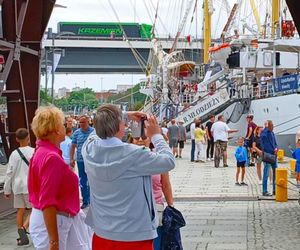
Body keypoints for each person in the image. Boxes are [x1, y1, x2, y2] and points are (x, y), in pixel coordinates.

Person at [81, 104, 175, 249]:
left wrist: (123, 115)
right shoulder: (136, 154)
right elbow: (168, 161)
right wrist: (156, 135)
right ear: (121, 126)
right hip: (135, 233)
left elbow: (95, 134)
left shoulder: (89, 150)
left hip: (102, 230)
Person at [28, 106, 91, 250]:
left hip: (54, 219)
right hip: (56, 221)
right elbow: (47, 200)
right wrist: (54, 241)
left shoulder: (42, 152)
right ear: (56, 129)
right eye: (62, 125)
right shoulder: (51, 158)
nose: (65, 128)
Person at [131, 135, 174, 250]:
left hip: (155, 210)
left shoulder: (158, 159)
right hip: (133, 211)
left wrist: (171, 207)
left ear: (149, 140)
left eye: (144, 137)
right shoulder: (126, 159)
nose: (140, 140)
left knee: (155, 244)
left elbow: (165, 185)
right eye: (136, 137)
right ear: (131, 140)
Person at [4, 128, 34, 246]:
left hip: (17, 187)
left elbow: (9, 172)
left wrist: (7, 189)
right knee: (34, 210)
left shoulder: (13, 154)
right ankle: (24, 227)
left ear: (16, 139)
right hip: (30, 186)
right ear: (28, 138)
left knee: (20, 210)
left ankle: (20, 236)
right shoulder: (33, 151)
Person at [70, 115, 94, 209]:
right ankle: (85, 200)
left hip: (91, 160)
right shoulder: (76, 133)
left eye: (83, 122)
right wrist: (72, 158)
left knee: (92, 180)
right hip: (80, 160)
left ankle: (92, 200)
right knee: (82, 181)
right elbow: (73, 146)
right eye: (80, 122)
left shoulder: (93, 132)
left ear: (88, 122)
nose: (81, 124)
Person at [260, 120, 278, 196]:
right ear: (267, 125)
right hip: (267, 156)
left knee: (275, 173)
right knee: (266, 174)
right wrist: (266, 129)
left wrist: (276, 148)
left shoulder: (272, 133)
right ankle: (264, 191)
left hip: (274, 156)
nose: (273, 126)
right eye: (271, 125)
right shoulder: (264, 133)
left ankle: (275, 190)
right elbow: (263, 142)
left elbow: (275, 143)